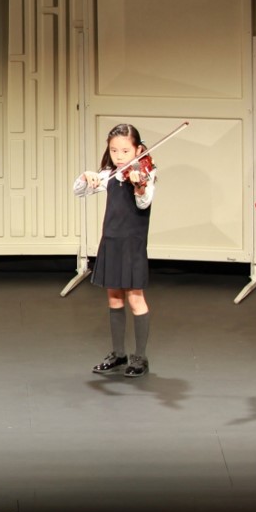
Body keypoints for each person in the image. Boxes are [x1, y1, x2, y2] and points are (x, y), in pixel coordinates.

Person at [74, 123, 156, 377]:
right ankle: (119, 354)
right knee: (114, 298)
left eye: (125, 151)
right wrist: (86, 176)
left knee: (135, 298)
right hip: (110, 240)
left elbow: (143, 203)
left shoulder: (146, 174)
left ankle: (140, 358)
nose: (119, 156)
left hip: (132, 243)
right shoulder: (109, 174)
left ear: (138, 150)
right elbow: (79, 192)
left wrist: (139, 186)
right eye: (114, 151)